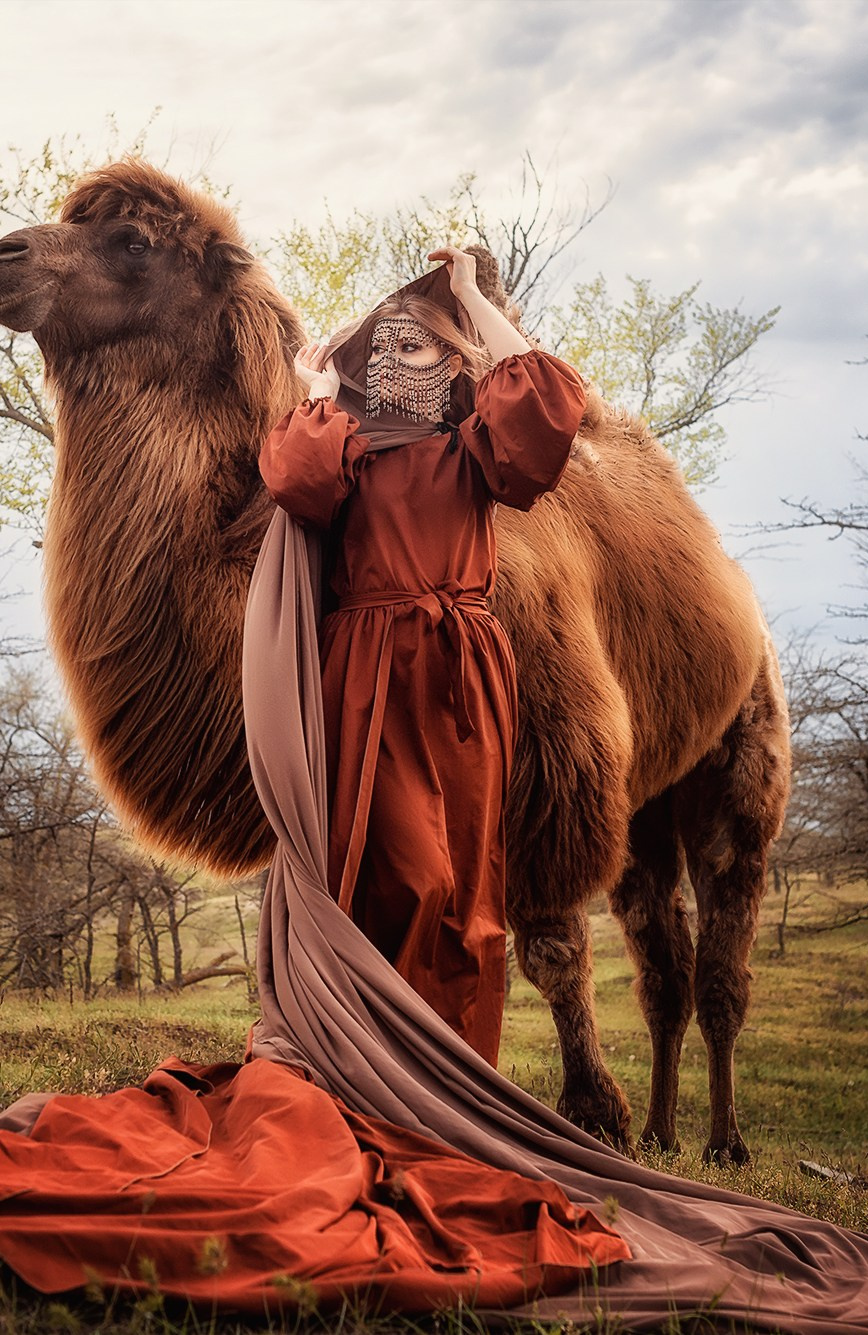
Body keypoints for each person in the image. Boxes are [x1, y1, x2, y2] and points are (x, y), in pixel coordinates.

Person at [258, 246, 586, 1065]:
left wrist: (472, 297)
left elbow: (543, 405)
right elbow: (295, 480)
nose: (405, 356)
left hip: (466, 675)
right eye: (390, 344)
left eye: (427, 345)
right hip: (370, 675)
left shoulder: (477, 449)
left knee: (470, 890)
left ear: (456, 360)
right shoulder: (348, 451)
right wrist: (320, 392)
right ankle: (375, 1061)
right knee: (410, 873)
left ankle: (456, 1072)